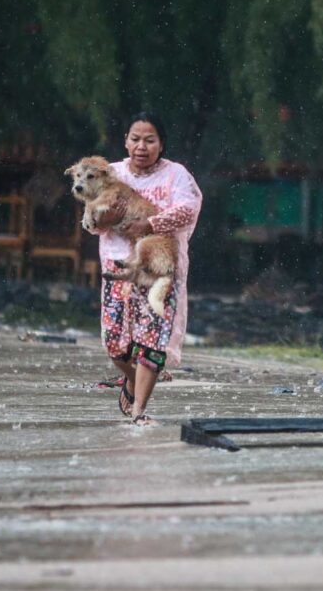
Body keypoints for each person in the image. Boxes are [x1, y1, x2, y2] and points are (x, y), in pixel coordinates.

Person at [88, 112, 202, 426]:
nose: (141, 146)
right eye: (135, 139)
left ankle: (138, 410)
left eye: (149, 140)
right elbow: (93, 221)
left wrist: (151, 223)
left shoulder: (176, 175)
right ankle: (130, 380)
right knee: (115, 344)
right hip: (118, 266)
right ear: (125, 141)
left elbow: (188, 209)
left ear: (161, 144)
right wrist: (105, 217)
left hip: (159, 269)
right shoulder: (110, 173)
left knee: (151, 342)